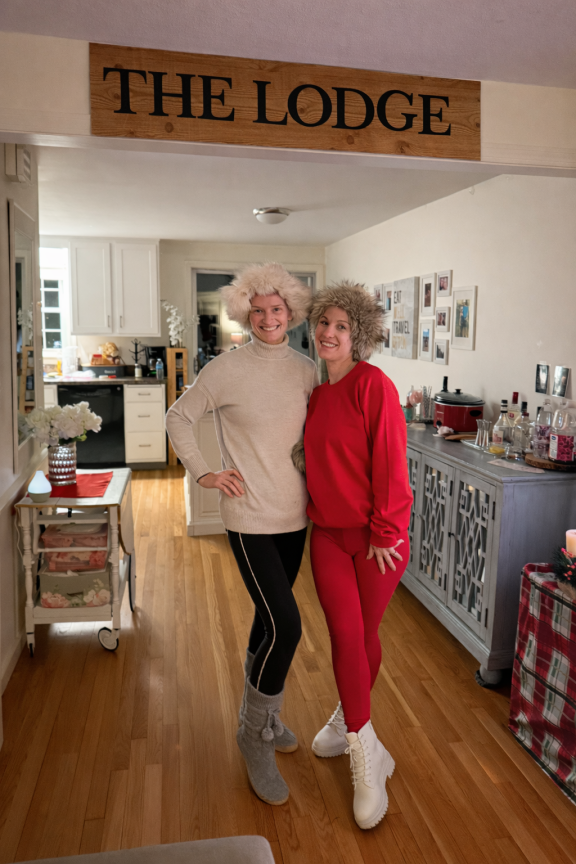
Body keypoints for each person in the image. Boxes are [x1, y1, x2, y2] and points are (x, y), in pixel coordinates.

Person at [166, 263, 318, 807]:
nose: (268, 318)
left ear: (291, 312)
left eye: (276, 309)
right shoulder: (225, 370)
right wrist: (205, 472)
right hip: (249, 517)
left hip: (294, 516)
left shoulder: (307, 371)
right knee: (287, 625)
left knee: (266, 620)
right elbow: (178, 417)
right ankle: (253, 735)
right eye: (257, 310)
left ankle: (265, 717)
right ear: (244, 313)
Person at [294, 281, 413, 830]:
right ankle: (365, 741)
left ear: (358, 335)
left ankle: (358, 738)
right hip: (327, 534)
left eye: (342, 326)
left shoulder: (374, 385)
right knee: (346, 635)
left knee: (362, 635)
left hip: (375, 541)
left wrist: (385, 532)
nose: (330, 333)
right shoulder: (318, 394)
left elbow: (391, 461)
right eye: (324, 322)